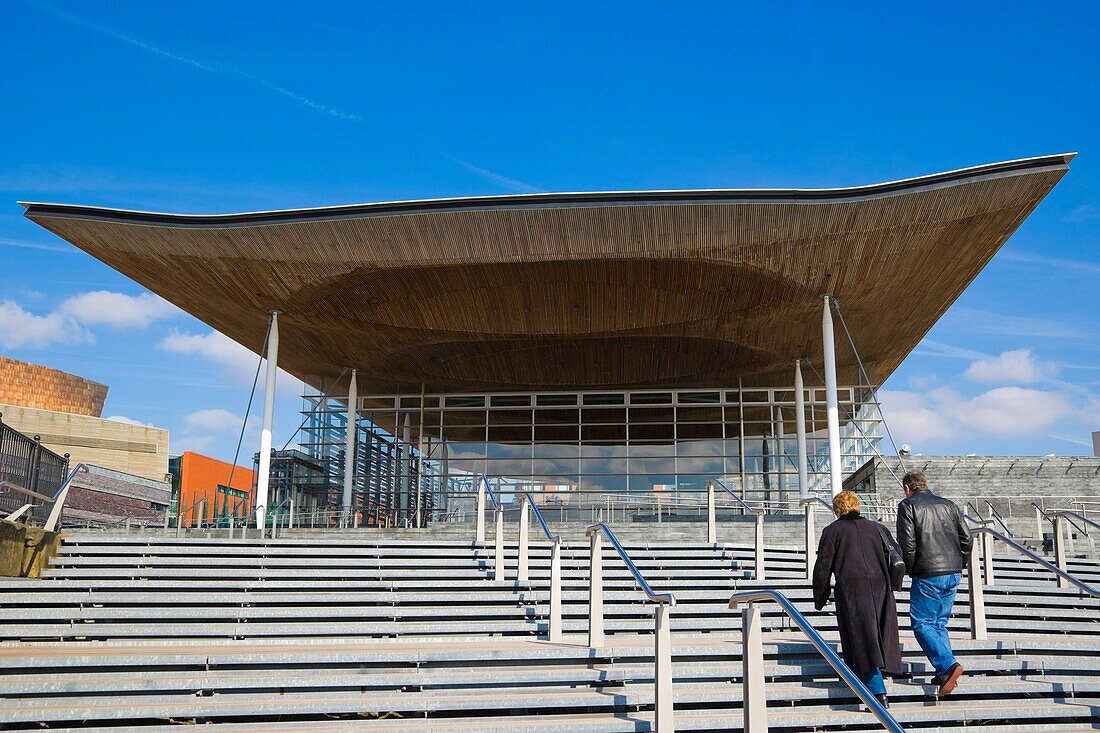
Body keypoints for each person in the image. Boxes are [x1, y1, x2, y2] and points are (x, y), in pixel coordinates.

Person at [813, 490, 902, 709]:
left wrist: (820, 595)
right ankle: (873, 678)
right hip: (880, 585)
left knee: (863, 638)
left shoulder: (832, 531)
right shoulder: (877, 528)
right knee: (878, 634)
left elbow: (823, 566)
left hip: (853, 589)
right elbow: (897, 553)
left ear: (837, 510)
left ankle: (878, 691)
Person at [896, 469, 973, 696]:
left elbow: (907, 543)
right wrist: (961, 563)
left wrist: (909, 570)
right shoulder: (949, 504)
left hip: (928, 571)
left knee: (922, 623)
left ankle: (948, 665)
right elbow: (967, 538)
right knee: (938, 623)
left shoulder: (907, 505)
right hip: (953, 571)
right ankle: (944, 672)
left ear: (908, 488)